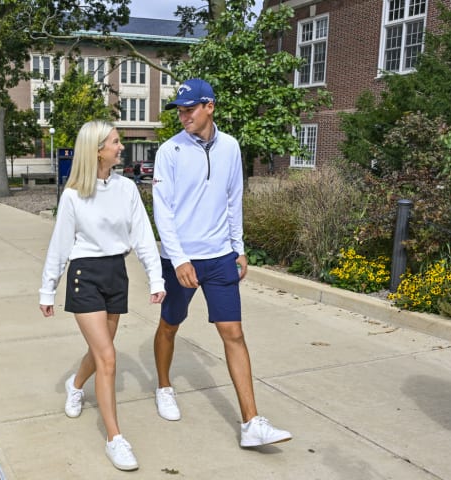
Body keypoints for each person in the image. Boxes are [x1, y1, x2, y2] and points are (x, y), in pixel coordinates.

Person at [152, 78, 292, 447]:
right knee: (170, 325)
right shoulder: (170, 151)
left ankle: (252, 423)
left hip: (219, 258)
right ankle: (164, 386)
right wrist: (179, 259)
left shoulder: (230, 147)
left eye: (190, 109)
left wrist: (238, 247)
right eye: (180, 110)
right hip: (180, 259)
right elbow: (162, 211)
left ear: (209, 106)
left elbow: (234, 200)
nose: (183, 116)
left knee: (233, 333)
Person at [39, 120, 166, 471]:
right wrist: (47, 288)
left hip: (116, 274)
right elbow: (60, 245)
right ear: (97, 150)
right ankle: (115, 438)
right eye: (115, 141)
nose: (120, 146)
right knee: (108, 356)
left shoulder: (126, 189)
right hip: (85, 275)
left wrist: (156, 280)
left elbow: (142, 236)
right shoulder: (73, 195)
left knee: (100, 352)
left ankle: (75, 384)